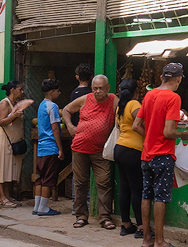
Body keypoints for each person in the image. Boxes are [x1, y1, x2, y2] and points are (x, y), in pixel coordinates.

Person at [134, 62, 188, 247]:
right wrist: (182, 134)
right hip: (163, 156)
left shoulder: (149, 95)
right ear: (178, 79)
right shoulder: (173, 98)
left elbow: (136, 125)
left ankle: (147, 239)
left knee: (146, 194)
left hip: (146, 155)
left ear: (161, 78)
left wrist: (150, 136)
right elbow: (168, 132)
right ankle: (160, 242)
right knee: (161, 196)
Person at [63, 75, 118, 230]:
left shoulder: (113, 100)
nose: (98, 91)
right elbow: (66, 109)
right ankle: (81, 216)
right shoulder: (85, 99)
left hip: (101, 151)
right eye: (95, 88)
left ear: (108, 88)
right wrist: (70, 126)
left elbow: (122, 114)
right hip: (80, 148)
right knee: (80, 184)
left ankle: (105, 218)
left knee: (104, 183)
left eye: (101, 88)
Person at [113, 78, 146, 237]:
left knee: (125, 188)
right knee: (137, 189)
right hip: (133, 150)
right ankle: (141, 227)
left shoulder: (120, 106)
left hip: (120, 149)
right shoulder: (134, 104)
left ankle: (126, 224)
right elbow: (139, 122)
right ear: (136, 92)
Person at [0, 81, 32, 207]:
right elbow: (1, 121)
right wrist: (13, 115)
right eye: (20, 89)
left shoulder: (16, 103)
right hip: (4, 140)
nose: (22, 92)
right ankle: (2, 198)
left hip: (14, 141)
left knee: (8, 170)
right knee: (0, 170)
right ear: (13, 89)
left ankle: (7, 196)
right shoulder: (4, 103)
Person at [33, 79, 65, 216]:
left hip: (41, 147)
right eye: (57, 91)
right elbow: (55, 128)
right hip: (51, 146)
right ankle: (44, 207)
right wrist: (60, 149)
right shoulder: (53, 107)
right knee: (49, 178)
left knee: (40, 177)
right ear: (51, 92)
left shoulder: (41, 105)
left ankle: (37, 206)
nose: (59, 93)